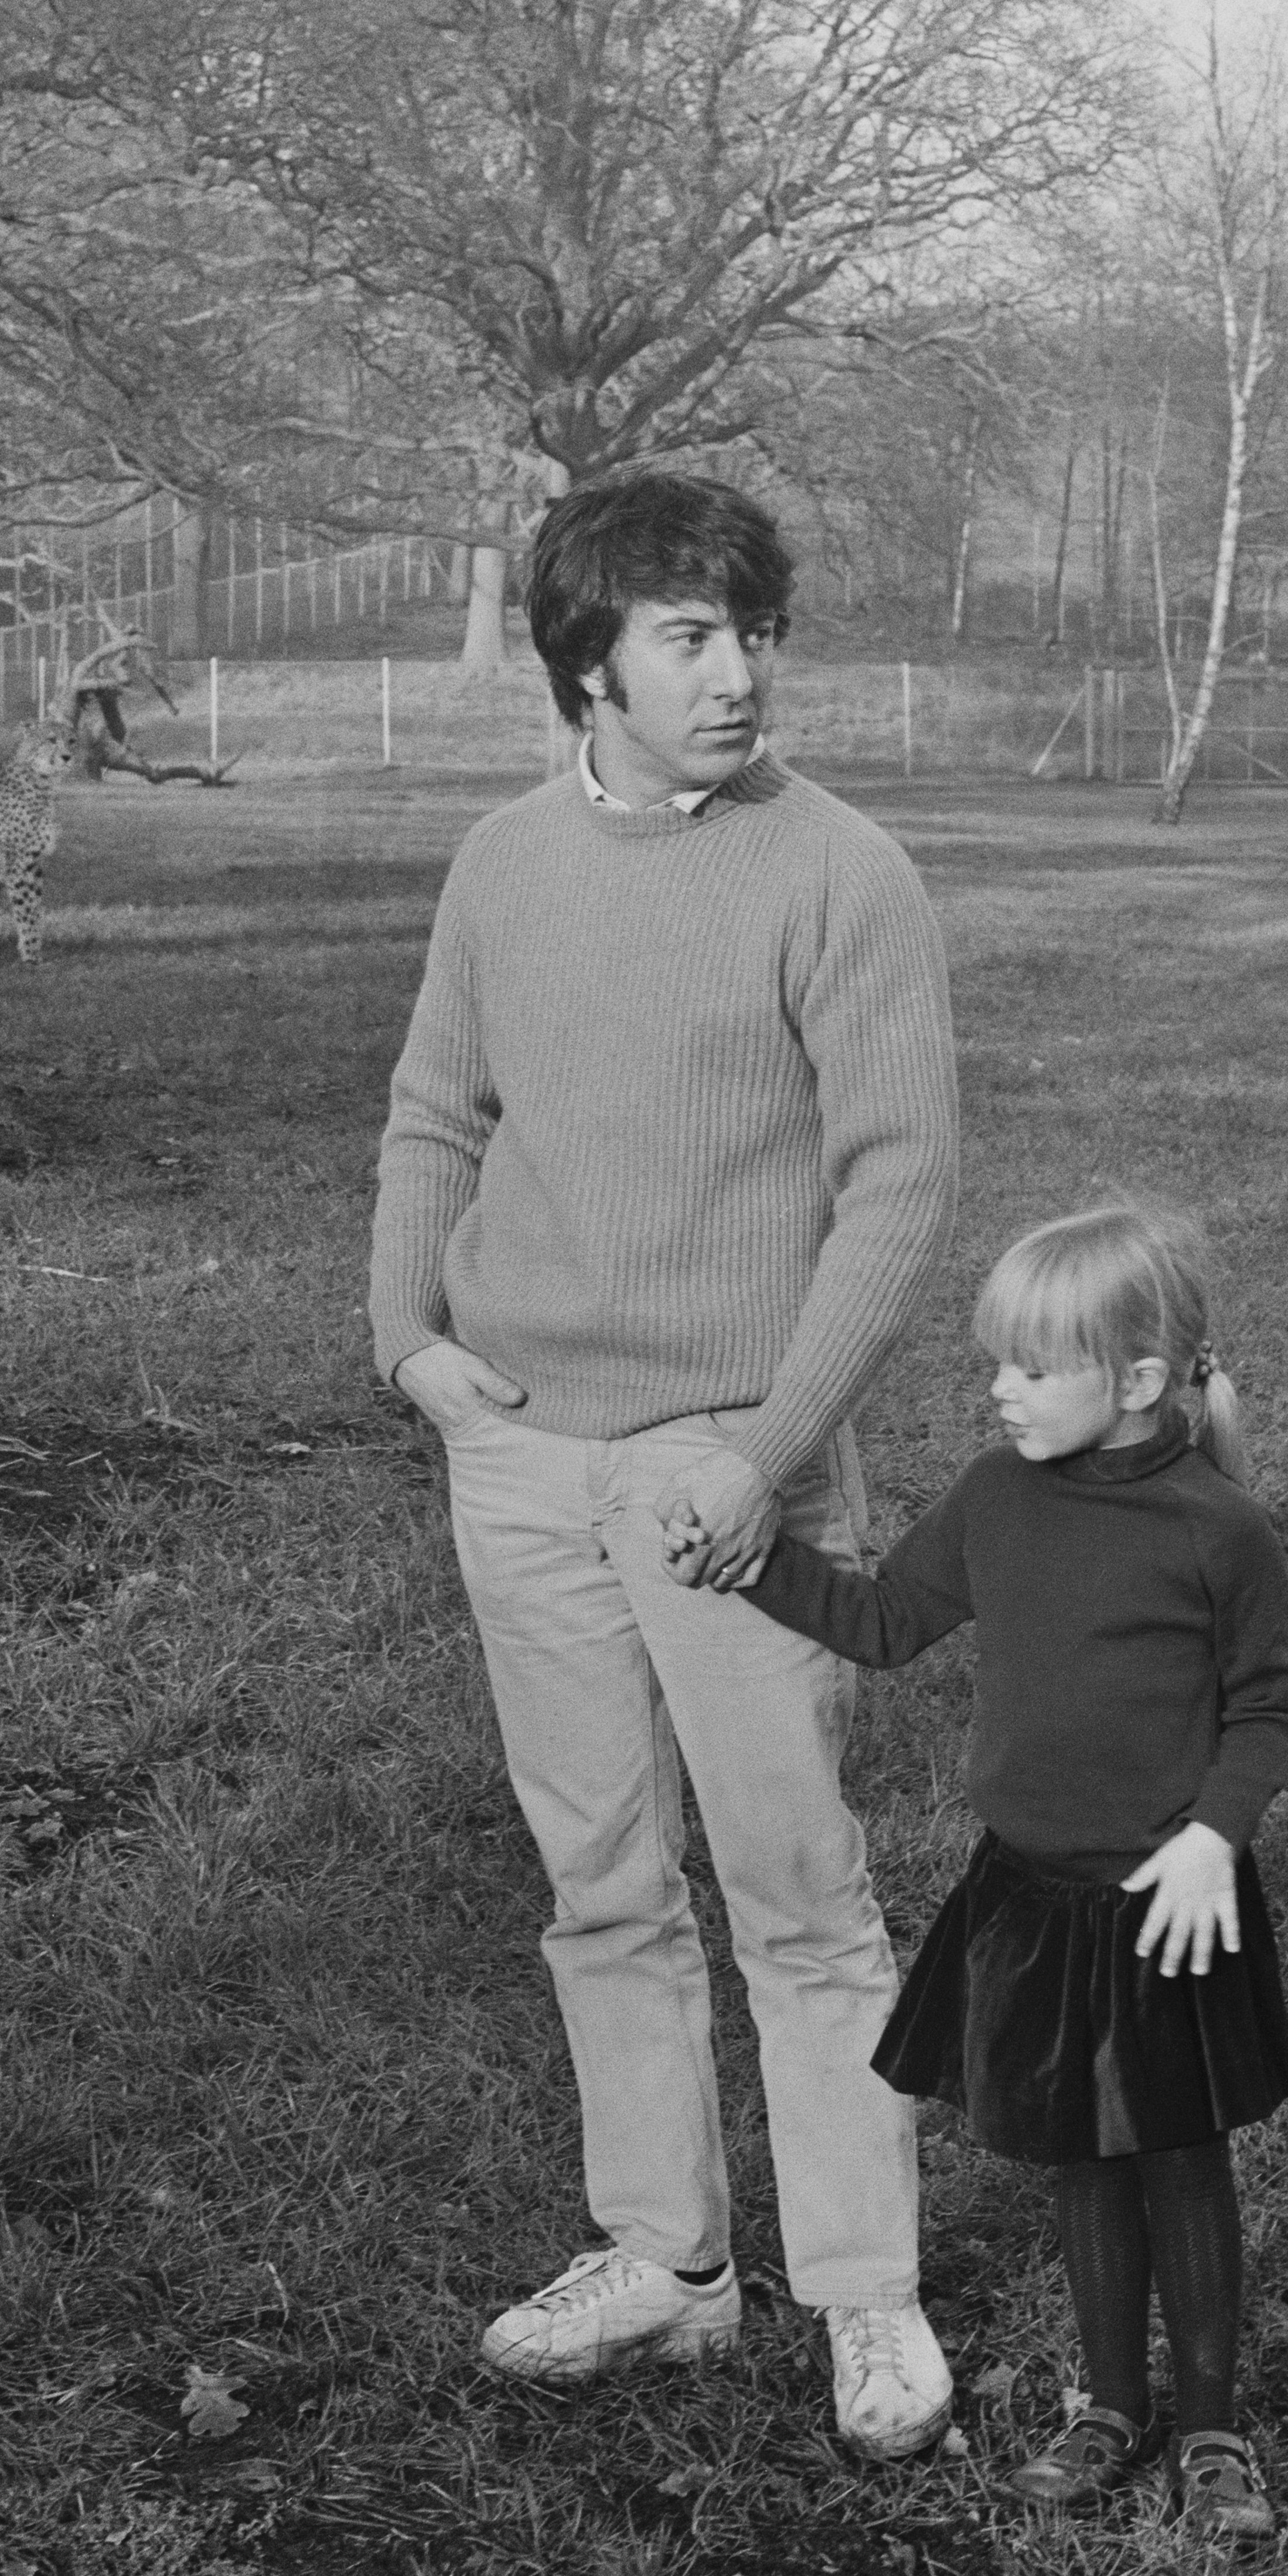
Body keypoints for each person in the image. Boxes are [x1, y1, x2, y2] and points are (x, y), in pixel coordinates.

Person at [369, 469, 960, 2459]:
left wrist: (769, 1448)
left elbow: (897, 1184)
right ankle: (667, 2260)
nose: (738, 672)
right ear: (587, 668)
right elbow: (433, 1110)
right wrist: (413, 1343)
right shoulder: (501, 865)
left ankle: (863, 2292)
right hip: (521, 1451)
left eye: (751, 630)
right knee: (599, 1881)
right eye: (690, 637)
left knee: (798, 1893)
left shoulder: (840, 872)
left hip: (733, 1471)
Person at [693, 1203, 1288, 2534]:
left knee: (1179, 2158)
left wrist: (1211, 1834)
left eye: (1033, 1367)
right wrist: (750, 1562)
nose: (998, 1388)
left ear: (1138, 1382)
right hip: (1029, 1895)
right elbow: (879, 1620)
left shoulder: (1217, 1529)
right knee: (1082, 2156)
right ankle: (1108, 2407)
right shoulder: (993, 1496)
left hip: (1166, 1904)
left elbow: (1269, 1709)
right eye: (997, 1361)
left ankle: (1208, 2427)